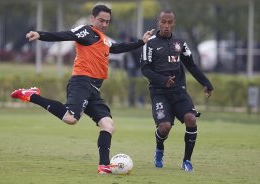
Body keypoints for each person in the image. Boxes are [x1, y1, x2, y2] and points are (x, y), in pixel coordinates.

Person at [11, 4, 154, 174]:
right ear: (92, 18)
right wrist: (40, 35)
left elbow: (118, 48)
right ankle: (32, 95)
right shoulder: (86, 31)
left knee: (108, 125)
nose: (104, 24)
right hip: (81, 81)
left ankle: (104, 166)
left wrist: (141, 42)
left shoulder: (104, 39)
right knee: (71, 119)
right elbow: (66, 35)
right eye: (101, 20)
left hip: (94, 89)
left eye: (107, 21)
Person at [140, 10, 213, 172]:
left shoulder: (180, 43)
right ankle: (159, 148)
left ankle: (186, 161)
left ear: (174, 23)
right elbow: (145, 69)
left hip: (179, 92)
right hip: (159, 92)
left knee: (191, 119)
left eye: (170, 22)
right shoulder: (149, 43)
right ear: (158, 22)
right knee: (165, 127)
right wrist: (162, 80)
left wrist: (206, 83)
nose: (166, 25)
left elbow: (191, 65)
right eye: (163, 22)